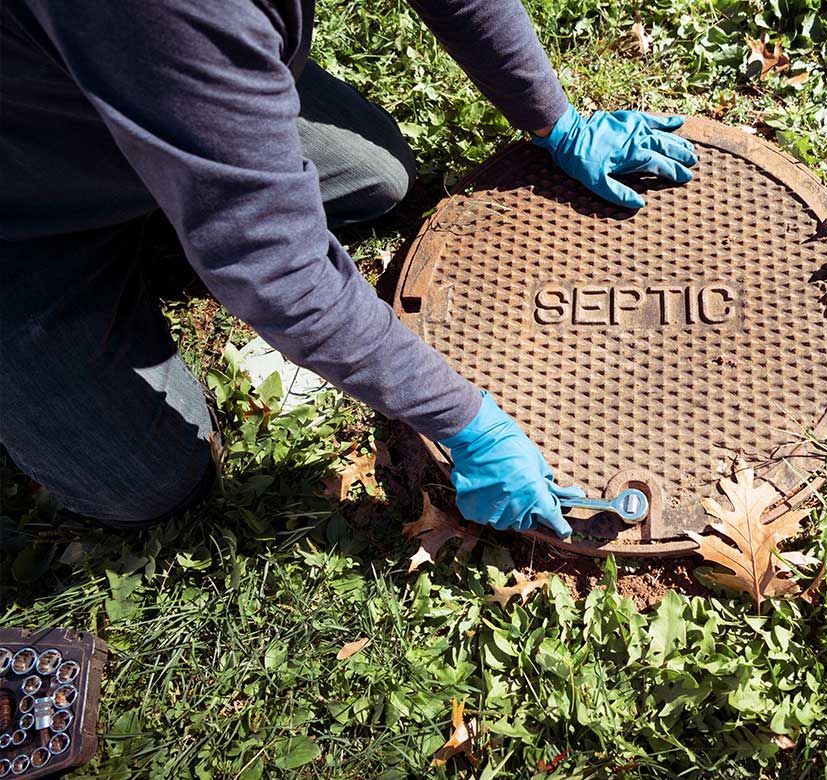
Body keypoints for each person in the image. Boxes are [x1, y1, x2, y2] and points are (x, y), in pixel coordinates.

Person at [0, 1, 697, 537]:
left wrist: (556, 121)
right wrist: (466, 422)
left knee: (378, 178)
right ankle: (185, 188)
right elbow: (278, 267)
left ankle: (197, 162)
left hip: (141, 70)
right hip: (27, 207)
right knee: (142, 482)